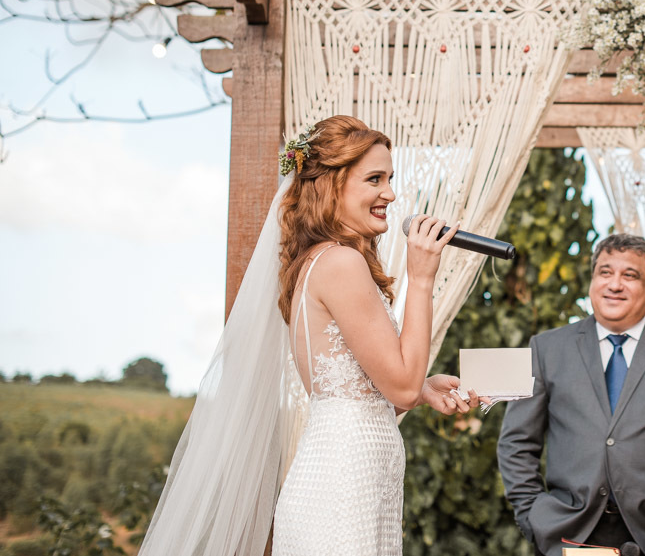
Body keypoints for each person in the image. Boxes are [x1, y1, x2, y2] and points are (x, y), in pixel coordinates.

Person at [140, 115, 479, 556]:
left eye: (390, 179)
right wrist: (422, 279)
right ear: (331, 186)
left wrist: (422, 390)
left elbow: (382, 393)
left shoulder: (321, 262)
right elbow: (402, 382)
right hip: (342, 491)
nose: (391, 194)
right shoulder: (341, 264)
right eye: (374, 179)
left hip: (345, 481)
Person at [498, 233, 645, 556]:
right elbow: (516, 443)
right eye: (605, 272)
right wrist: (533, 517)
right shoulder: (545, 349)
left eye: (630, 275)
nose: (615, 284)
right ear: (593, 281)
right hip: (567, 536)